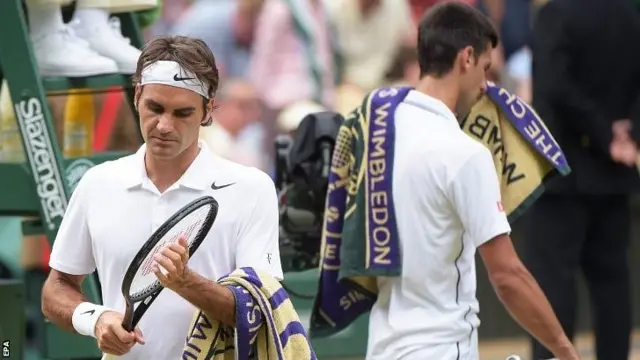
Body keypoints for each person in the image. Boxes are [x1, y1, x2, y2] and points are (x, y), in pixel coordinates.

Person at [40, 35, 283, 359]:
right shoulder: (98, 183)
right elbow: (56, 289)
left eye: (182, 113)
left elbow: (259, 312)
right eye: (155, 108)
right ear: (137, 96)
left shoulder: (252, 189)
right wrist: (96, 320)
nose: (164, 126)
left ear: (208, 110)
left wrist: (185, 282)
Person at [364, 3, 578, 359]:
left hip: (383, 348)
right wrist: (566, 351)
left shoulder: (375, 135)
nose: (486, 86)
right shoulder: (465, 153)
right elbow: (508, 277)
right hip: (443, 348)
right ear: (466, 58)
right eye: (485, 69)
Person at [525, 0, 640, 358]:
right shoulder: (629, 15)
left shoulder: (553, 15)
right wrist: (626, 134)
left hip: (562, 174)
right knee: (612, 286)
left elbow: (554, 87)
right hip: (615, 172)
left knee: (552, 288)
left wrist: (603, 134)